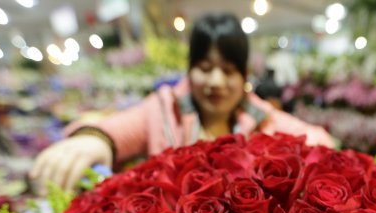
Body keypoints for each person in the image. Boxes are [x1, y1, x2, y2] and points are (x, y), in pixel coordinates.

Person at [31, 13, 334, 191]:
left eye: (228, 70)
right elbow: (114, 131)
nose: (215, 81)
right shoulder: (164, 108)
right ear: (189, 71)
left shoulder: (261, 117)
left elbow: (317, 139)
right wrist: (93, 140)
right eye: (204, 68)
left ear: (243, 75)